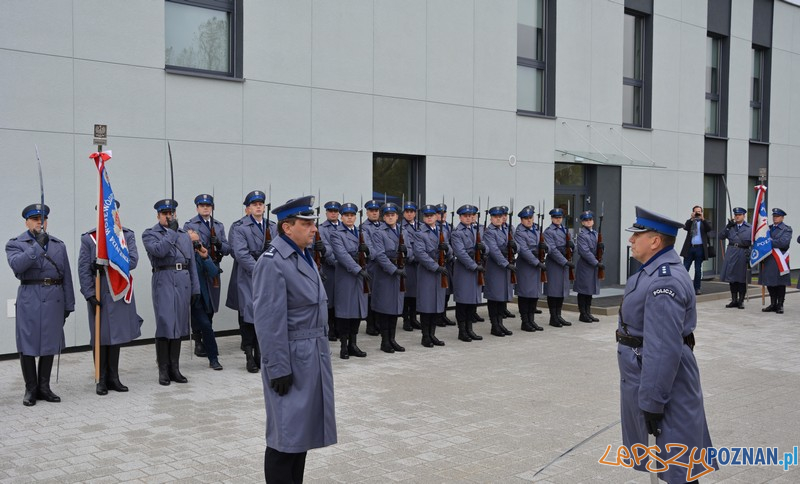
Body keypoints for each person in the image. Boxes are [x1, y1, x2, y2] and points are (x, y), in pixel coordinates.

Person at [617, 206, 717, 482]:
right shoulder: (652, 271)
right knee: (672, 464)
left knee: (677, 467)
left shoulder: (665, 281)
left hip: (663, 385)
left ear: (655, 241)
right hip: (651, 378)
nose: (631, 240)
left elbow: (662, 350)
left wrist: (651, 403)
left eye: (637, 235)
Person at [251, 195, 337, 483]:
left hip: (311, 357)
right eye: (307, 223)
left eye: (313, 223)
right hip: (290, 360)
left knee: (299, 438)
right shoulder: (272, 262)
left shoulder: (303, 255)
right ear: (287, 227)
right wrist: (277, 367)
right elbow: (268, 321)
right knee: (284, 439)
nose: (314, 229)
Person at [6, 204, 75, 406]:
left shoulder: (58, 245)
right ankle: (31, 389)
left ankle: (44, 387)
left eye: (43, 218)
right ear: (26, 221)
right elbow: (17, 266)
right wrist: (37, 247)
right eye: (35, 218)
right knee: (27, 343)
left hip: (54, 297)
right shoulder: (15, 244)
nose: (40, 222)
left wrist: (68, 303)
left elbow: (67, 277)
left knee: (49, 343)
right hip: (30, 297)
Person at [78, 200, 143, 395]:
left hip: (118, 291)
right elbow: (83, 269)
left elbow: (132, 261)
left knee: (116, 336)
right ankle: (101, 379)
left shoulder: (126, 235)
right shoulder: (90, 239)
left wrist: (106, 261)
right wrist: (89, 293)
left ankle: (114, 377)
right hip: (100, 291)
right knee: (100, 336)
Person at [142, 199, 200, 386]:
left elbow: (191, 263)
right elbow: (159, 251)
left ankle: (175, 367)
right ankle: (163, 368)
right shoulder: (150, 234)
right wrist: (172, 233)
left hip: (182, 279)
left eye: (171, 213)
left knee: (180, 324)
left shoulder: (184, 235)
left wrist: (195, 288)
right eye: (165, 213)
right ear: (158, 215)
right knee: (166, 323)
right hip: (164, 278)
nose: (169, 216)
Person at [232, 190, 277, 373]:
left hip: (268, 279)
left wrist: (270, 252)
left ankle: (261, 354)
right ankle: (250, 356)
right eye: (254, 204)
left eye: (261, 204)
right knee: (249, 318)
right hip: (249, 277)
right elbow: (241, 254)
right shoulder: (241, 229)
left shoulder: (273, 227)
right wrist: (261, 267)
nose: (258, 207)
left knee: (264, 318)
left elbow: (280, 248)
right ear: (248, 208)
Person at [183, 194, 231, 358]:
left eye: (208, 206)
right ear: (197, 208)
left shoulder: (218, 225)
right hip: (198, 268)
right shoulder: (190, 225)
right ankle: (198, 341)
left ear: (212, 208)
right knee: (199, 303)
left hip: (213, 268)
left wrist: (218, 242)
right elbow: (186, 247)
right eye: (202, 205)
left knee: (211, 304)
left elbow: (227, 249)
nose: (205, 208)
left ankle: (206, 334)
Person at [371, 202, 412, 353]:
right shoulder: (378, 232)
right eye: (387, 215)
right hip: (386, 275)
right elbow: (379, 255)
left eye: (392, 215)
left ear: (397, 216)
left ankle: (392, 339)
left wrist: (406, 251)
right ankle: (385, 341)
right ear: (383, 217)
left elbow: (411, 252)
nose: (390, 217)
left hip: (399, 273)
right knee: (385, 308)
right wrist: (394, 270)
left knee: (395, 308)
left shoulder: (403, 231)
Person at [330, 202, 370, 359]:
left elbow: (370, 250)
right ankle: (344, 346)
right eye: (346, 215)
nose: (349, 218)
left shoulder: (360, 232)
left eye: (352, 215)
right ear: (342, 217)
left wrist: (367, 251)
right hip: (347, 276)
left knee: (357, 311)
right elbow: (342, 255)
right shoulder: (336, 233)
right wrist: (358, 270)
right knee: (345, 312)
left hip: (360, 277)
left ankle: (353, 344)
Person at [187, 228, 224, 370]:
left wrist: (205, 256)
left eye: (197, 241)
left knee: (207, 327)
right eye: (192, 242)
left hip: (202, 298)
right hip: (188, 298)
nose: (195, 244)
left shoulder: (199, 255)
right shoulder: (183, 256)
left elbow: (214, 272)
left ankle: (213, 358)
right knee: (204, 326)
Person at [412, 204, 448, 347]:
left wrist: (447, 250)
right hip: (428, 272)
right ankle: (425, 336)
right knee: (427, 306)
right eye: (426, 216)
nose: (429, 218)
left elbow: (449, 249)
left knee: (436, 305)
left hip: (439, 273)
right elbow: (420, 254)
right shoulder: (419, 233)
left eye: (431, 216)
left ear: (436, 217)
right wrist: (436, 267)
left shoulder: (441, 231)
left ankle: (433, 334)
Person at [450, 204, 485, 341]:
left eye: (471, 215)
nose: (469, 218)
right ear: (460, 217)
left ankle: (470, 329)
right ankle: (462, 331)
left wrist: (483, 249)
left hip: (476, 269)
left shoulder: (476, 230)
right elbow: (460, 253)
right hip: (465, 270)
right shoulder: (457, 232)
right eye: (466, 216)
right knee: (463, 302)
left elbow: (485, 246)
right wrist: (474, 266)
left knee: (472, 302)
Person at [483, 206, 515, 337]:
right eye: (495, 217)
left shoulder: (506, 229)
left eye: (500, 217)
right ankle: (494, 325)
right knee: (494, 297)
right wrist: (506, 264)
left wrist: (514, 246)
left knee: (502, 297)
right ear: (491, 218)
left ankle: (500, 323)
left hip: (505, 268)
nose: (498, 219)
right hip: (495, 268)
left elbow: (515, 244)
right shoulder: (489, 232)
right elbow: (494, 251)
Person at [513, 205, 545, 332]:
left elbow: (542, 243)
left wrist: (545, 247)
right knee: (525, 294)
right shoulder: (519, 233)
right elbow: (524, 251)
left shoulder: (536, 230)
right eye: (526, 218)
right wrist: (536, 262)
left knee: (534, 295)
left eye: (530, 218)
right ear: (521, 220)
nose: (529, 220)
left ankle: (532, 320)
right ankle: (525, 321)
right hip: (526, 266)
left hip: (536, 267)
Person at [543, 208, 573, 327]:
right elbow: (552, 250)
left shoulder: (565, 230)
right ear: (552, 218)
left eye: (560, 217)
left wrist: (572, 247)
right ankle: (553, 317)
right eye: (555, 217)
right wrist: (564, 261)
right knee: (553, 291)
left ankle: (559, 315)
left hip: (564, 263)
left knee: (561, 291)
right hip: (554, 264)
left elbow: (570, 244)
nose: (558, 219)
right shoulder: (548, 231)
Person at [759, 208, 792, 314]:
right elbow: (762, 240)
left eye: (777, 216)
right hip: (769, 258)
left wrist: (769, 241)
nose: (775, 218)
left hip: (780, 259)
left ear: (782, 218)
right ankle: (773, 303)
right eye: (774, 216)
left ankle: (780, 304)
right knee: (770, 282)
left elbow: (784, 243)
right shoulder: (768, 228)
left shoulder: (786, 229)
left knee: (780, 283)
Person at [718, 207, 751, 309]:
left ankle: (741, 301)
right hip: (732, 252)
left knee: (741, 278)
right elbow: (721, 236)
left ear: (744, 216)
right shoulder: (731, 226)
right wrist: (728, 227)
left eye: (739, 215)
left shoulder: (749, 227)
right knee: (732, 278)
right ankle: (734, 300)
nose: (737, 216)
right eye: (736, 215)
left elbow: (753, 241)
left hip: (742, 252)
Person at [574, 211, 603, 323]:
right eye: (586, 220)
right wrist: (596, 263)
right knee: (583, 290)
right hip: (586, 266)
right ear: (582, 222)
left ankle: (588, 312)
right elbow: (585, 252)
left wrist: (601, 248)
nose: (588, 221)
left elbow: (598, 251)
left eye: (590, 219)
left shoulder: (595, 234)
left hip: (593, 266)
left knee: (589, 290)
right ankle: (583, 314)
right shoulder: (582, 235)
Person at [318, 201, 341, 341]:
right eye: (330, 211)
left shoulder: (345, 226)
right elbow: (327, 249)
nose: (333, 213)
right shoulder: (322, 229)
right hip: (330, 267)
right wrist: (338, 262)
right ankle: (330, 328)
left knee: (341, 299)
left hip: (344, 269)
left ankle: (339, 327)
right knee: (330, 300)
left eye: (335, 211)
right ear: (326, 213)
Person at [679, 205, 712, 295]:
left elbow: (709, 229)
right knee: (685, 268)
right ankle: (683, 287)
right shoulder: (690, 221)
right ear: (693, 212)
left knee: (698, 270)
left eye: (699, 211)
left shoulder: (705, 221)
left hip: (700, 248)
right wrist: (691, 219)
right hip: (690, 248)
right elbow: (685, 227)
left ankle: (697, 288)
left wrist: (703, 219)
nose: (698, 213)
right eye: (696, 211)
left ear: (702, 212)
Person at [401, 202, 422, 331]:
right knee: (406, 293)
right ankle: (406, 320)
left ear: (415, 213)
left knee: (415, 293)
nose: (409, 214)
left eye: (412, 211)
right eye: (407, 212)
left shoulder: (420, 226)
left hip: (418, 265)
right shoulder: (401, 227)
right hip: (407, 263)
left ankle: (414, 318)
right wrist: (413, 257)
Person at [435, 203, 456, 327]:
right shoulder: (436, 227)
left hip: (449, 261)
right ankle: (438, 316)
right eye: (439, 213)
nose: (441, 215)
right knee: (440, 290)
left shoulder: (450, 226)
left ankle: (443, 314)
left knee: (447, 291)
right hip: (440, 263)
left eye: (443, 213)